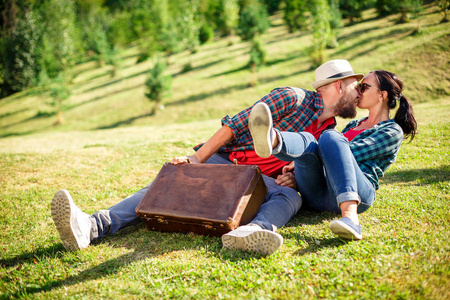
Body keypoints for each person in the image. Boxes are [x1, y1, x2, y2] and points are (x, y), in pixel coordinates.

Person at [51, 59, 363, 255]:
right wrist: (198, 159)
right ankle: (90, 227)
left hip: (263, 182)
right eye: (354, 86)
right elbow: (235, 125)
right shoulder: (291, 98)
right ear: (338, 86)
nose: (358, 93)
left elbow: (302, 166)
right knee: (165, 188)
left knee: (290, 198)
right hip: (231, 164)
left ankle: (251, 233)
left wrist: (292, 174)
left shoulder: (328, 129)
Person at [248, 69, 417, 241]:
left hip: (359, 194)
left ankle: (350, 218)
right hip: (320, 196)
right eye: (359, 86)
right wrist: (296, 175)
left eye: (364, 87)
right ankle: (273, 139)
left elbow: (348, 154)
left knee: (329, 137)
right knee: (309, 139)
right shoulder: (353, 124)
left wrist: (319, 151)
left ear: (382, 95)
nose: (358, 91)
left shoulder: (391, 130)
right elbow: (331, 160)